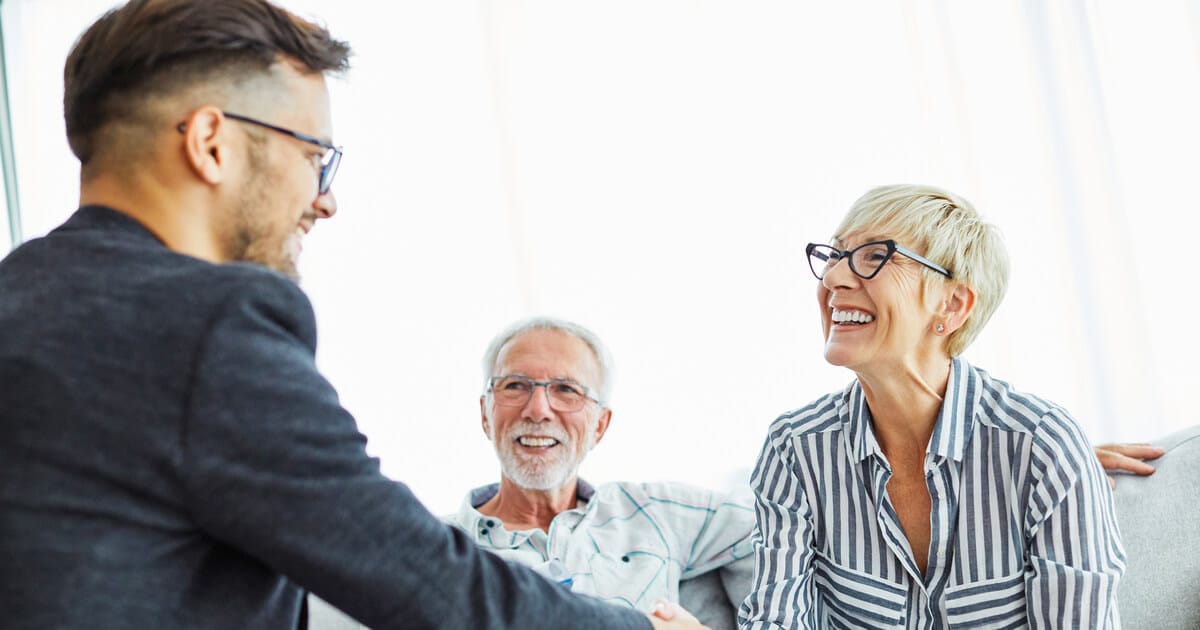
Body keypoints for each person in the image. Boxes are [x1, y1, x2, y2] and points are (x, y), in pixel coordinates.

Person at [0, 2, 707, 629]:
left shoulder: (22, 295)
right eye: (316, 157)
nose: (325, 200)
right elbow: (423, 580)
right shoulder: (205, 324)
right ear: (211, 142)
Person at [740, 185, 1125, 628]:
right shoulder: (795, 450)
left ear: (953, 304)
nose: (833, 279)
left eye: (874, 256)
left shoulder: (1044, 450)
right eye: (836, 256)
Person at [446, 318, 755, 623]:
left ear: (600, 426)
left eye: (566, 389)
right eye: (515, 385)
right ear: (486, 413)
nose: (537, 410)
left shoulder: (654, 511)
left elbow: (777, 534)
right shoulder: (438, 549)